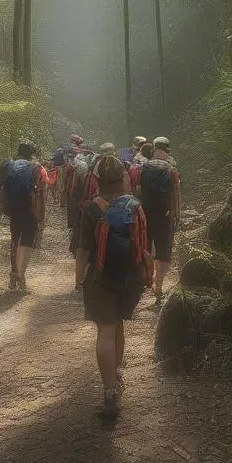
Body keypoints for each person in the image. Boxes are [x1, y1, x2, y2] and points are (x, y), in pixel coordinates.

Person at [75, 154, 151, 419]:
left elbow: (83, 249)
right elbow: (143, 245)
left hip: (102, 278)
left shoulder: (91, 208)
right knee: (118, 322)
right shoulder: (135, 205)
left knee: (105, 331)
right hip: (132, 279)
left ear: (97, 179)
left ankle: (109, 392)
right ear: (122, 178)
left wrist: (78, 279)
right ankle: (117, 374)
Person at [0, 142, 47, 293]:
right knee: (27, 240)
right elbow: (42, 193)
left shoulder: (8, 164)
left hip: (13, 206)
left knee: (15, 237)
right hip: (30, 207)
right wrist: (41, 215)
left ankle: (13, 274)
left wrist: (1, 206)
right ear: (32, 154)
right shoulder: (38, 168)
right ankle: (21, 276)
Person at [136, 138, 180, 305]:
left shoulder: (142, 167)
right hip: (165, 215)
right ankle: (158, 285)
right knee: (163, 253)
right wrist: (177, 214)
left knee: (145, 248)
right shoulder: (172, 169)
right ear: (167, 149)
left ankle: (147, 278)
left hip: (145, 214)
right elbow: (175, 194)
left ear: (154, 149)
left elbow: (137, 192)